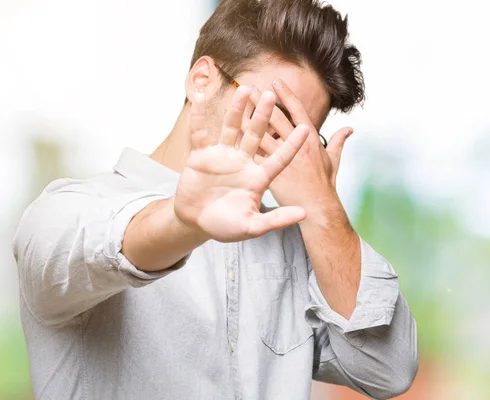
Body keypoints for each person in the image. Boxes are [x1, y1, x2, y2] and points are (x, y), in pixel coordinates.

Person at [12, 0, 418, 399]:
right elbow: (84, 248)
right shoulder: (67, 210)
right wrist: (183, 223)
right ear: (202, 81)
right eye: (269, 111)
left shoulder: (298, 249)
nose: (280, 143)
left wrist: (323, 210)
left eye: (302, 137)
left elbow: (389, 370)